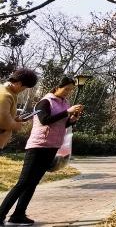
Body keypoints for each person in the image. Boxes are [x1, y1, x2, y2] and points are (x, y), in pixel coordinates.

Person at [0, 77, 84, 226]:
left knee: (33, 183)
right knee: (23, 182)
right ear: (58, 87)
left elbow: (62, 125)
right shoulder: (45, 102)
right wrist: (67, 112)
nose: (68, 92)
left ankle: (18, 215)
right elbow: (45, 120)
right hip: (38, 146)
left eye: (71, 90)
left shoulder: (65, 103)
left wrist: (72, 119)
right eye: (66, 89)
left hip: (52, 146)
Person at [0, 69, 39, 151]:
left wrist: (16, 119)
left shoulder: (7, 91)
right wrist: (20, 125)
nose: (23, 90)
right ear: (19, 83)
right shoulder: (5, 95)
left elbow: (4, 116)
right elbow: (4, 123)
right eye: (25, 88)